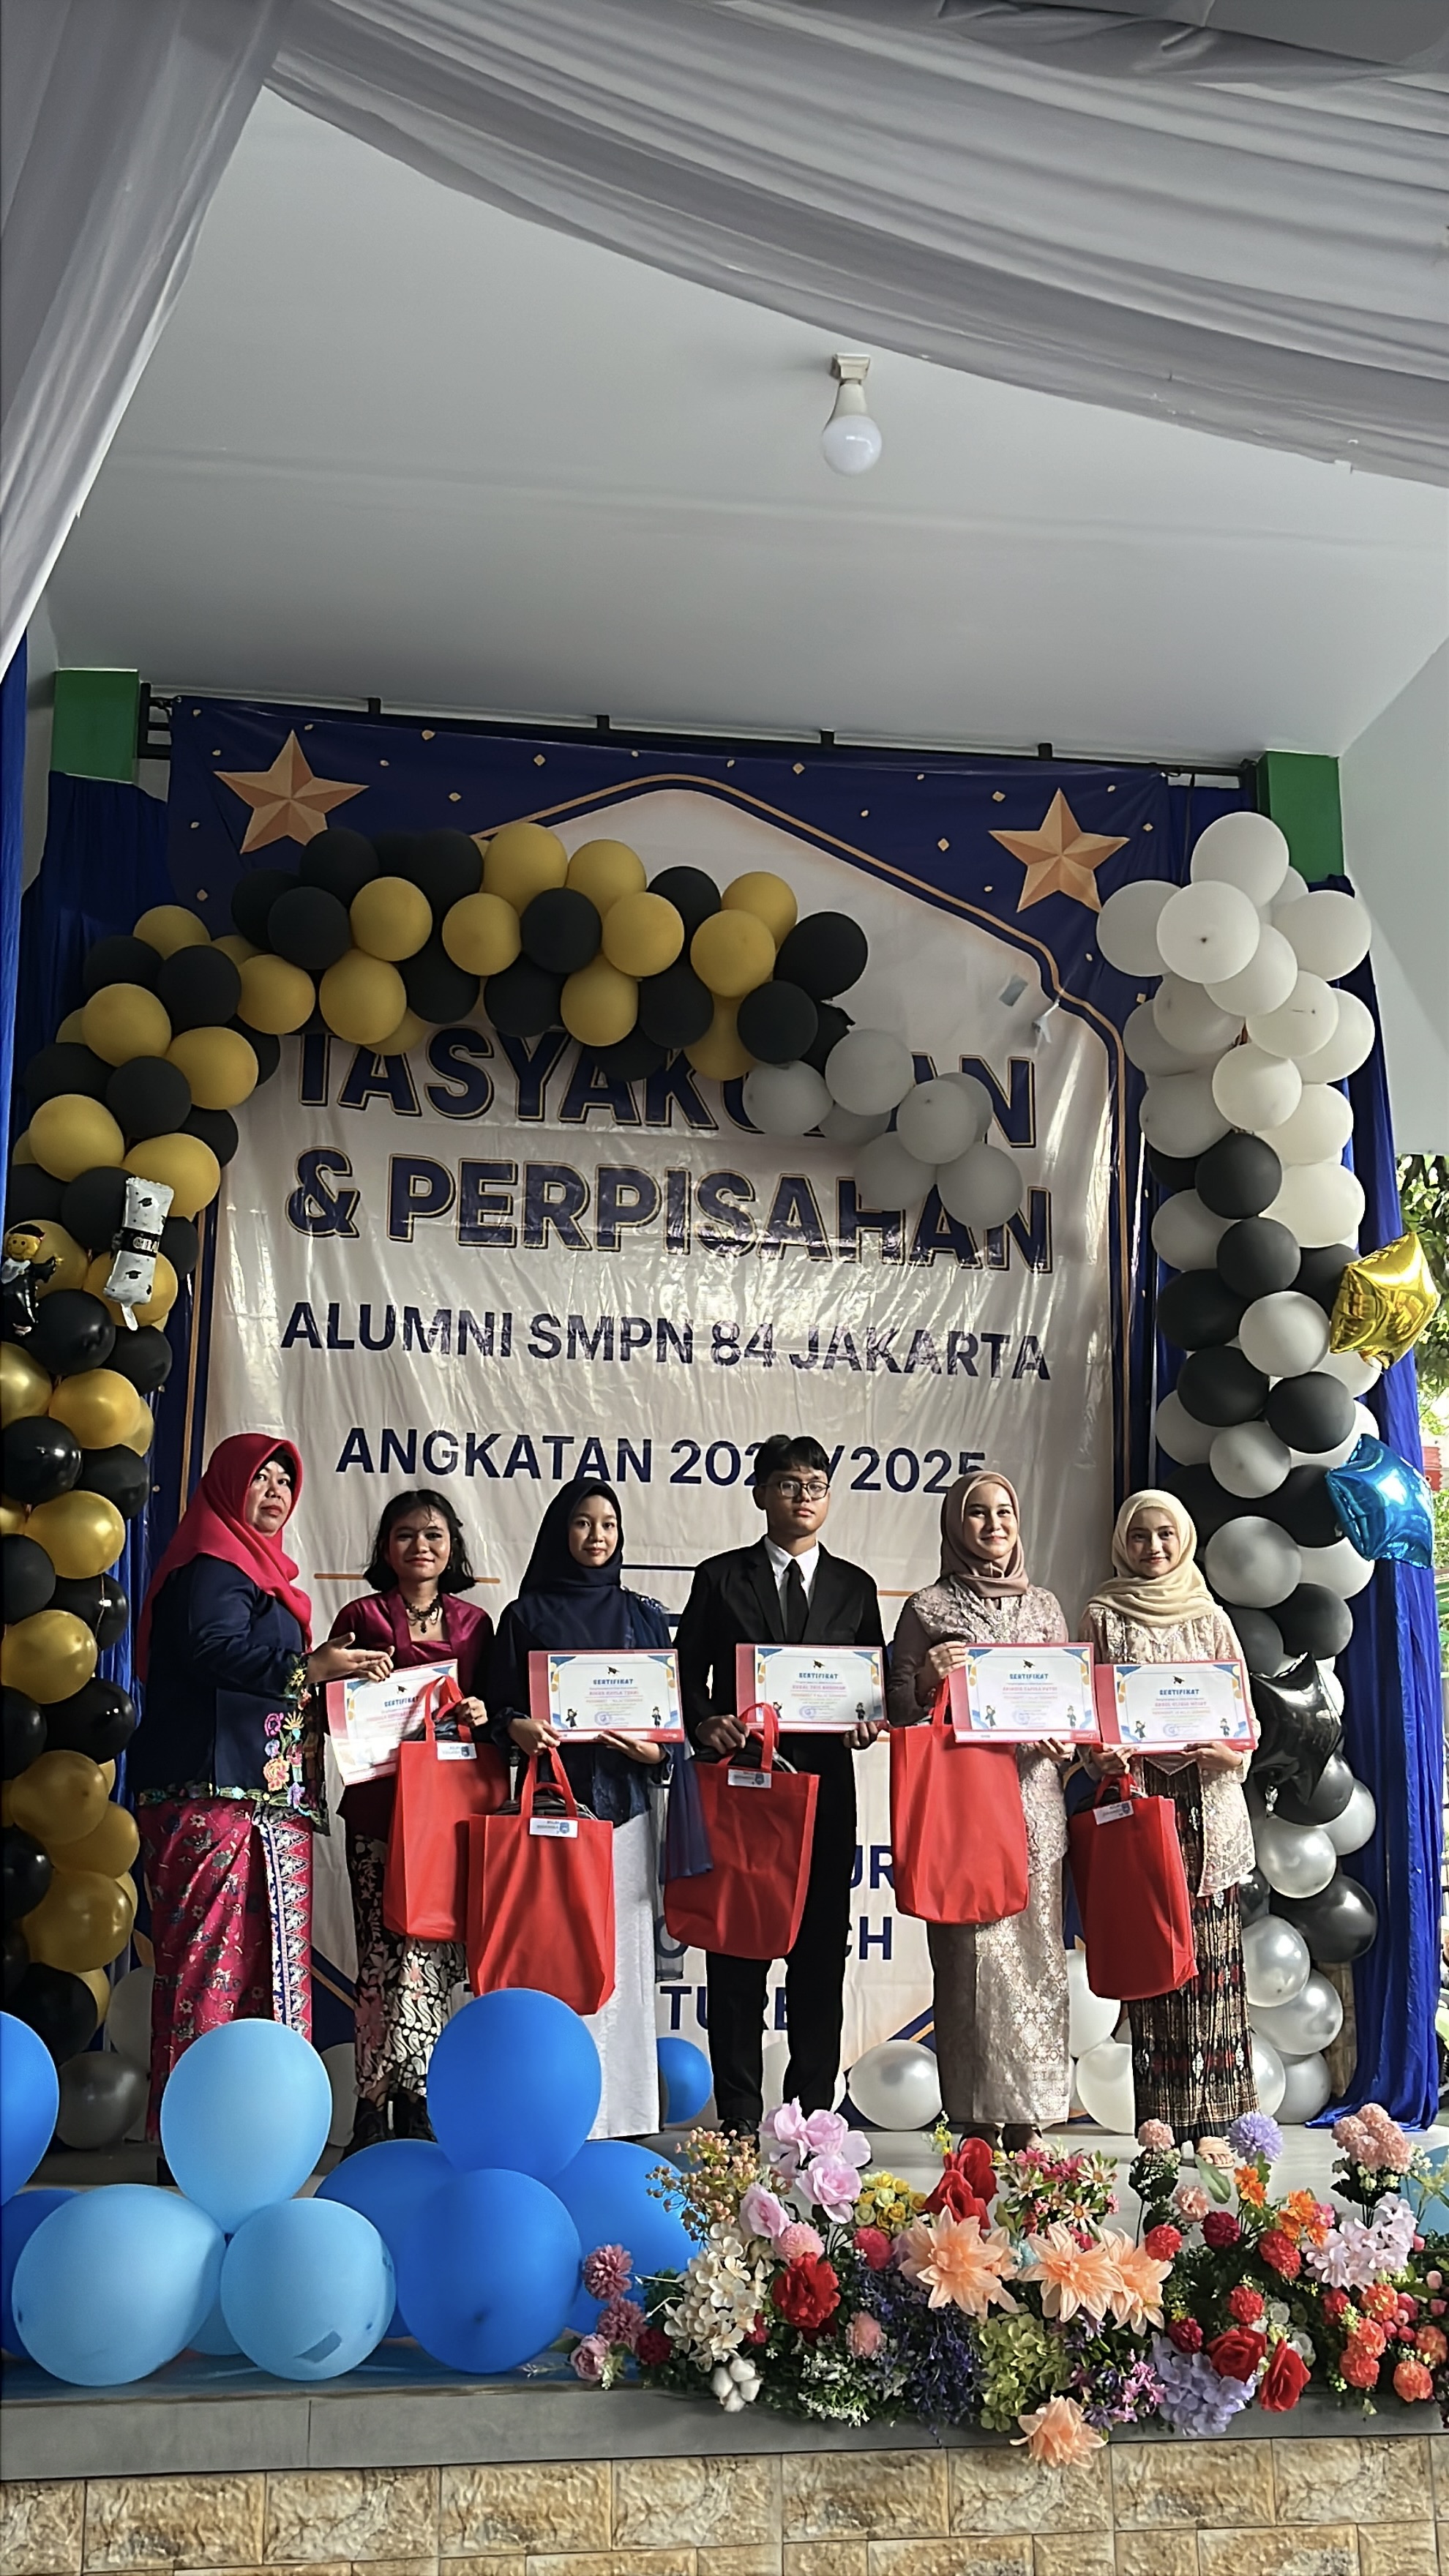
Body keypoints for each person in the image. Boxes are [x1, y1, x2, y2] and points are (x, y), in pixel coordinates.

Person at [131, 1432, 388, 2132]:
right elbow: (210, 1649)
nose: (275, 1491)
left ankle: (261, 2133)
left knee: (270, 1975)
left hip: (266, 1798)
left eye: (284, 1481)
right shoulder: (212, 1562)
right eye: (260, 1479)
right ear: (227, 1486)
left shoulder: (265, 1575)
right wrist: (309, 1667)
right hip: (211, 1792)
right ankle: (196, 2136)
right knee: (208, 1969)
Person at [674, 1433, 884, 2133]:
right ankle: (738, 2119)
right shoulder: (720, 1577)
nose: (803, 1498)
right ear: (762, 1493)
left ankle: (811, 2121)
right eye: (789, 1485)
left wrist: (868, 1722)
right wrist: (705, 1722)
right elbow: (684, 1675)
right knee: (737, 1951)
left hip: (826, 1792)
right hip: (743, 1792)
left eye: (816, 1486)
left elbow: (872, 1682)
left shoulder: (855, 1586)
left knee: (820, 1956)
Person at [887, 1470, 1071, 2152]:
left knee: (1038, 1965)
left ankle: (1032, 2116)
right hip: (965, 1810)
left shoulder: (1045, 1606)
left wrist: (1066, 1739)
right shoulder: (927, 1608)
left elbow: (1069, 1700)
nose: (994, 1526)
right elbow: (896, 1709)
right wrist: (928, 1675)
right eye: (978, 1514)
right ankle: (975, 2116)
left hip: (1035, 1807)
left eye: (1005, 1513)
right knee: (969, 1968)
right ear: (954, 1525)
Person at [490, 1479, 673, 2136]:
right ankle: (552, 2111)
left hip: (625, 1812)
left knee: (624, 1960)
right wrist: (516, 1728)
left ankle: (624, 2112)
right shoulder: (525, 1615)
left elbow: (669, 1724)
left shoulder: (644, 1615)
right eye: (582, 1523)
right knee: (554, 1956)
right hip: (552, 1812)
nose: (597, 1536)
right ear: (558, 1532)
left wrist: (654, 1752)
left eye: (608, 1524)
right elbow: (495, 1709)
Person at [1082, 1488, 1257, 2143]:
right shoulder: (1103, 1615)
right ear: (1121, 1543)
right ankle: (1160, 2125)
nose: (1152, 1547)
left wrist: (1231, 1753)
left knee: (1211, 1962)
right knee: (1154, 1960)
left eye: (1164, 1534)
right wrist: (1100, 1752)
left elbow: (1245, 1722)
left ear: (1183, 1539)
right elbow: (1088, 1712)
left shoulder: (1210, 1616)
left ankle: (1217, 2120)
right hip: (1140, 1803)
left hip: (1207, 1809)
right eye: (1139, 1536)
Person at [328, 1489, 494, 2149]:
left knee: (432, 1951)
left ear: (453, 1546)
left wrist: (482, 1710)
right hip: (380, 1811)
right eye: (405, 1535)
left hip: (448, 1813)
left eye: (433, 1535)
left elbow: (497, 1713)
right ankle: (371, 2103)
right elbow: (328, 1707)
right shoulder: (361, 1616)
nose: (420, 1546)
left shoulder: (476, 1625)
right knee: (379, 1953)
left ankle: (421, 2098)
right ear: (385, 1547)